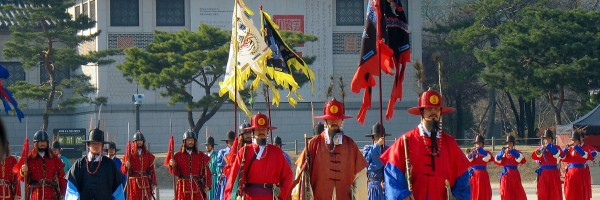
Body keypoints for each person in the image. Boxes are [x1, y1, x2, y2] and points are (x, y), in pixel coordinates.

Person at [379, 89, 470, 200]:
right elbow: (392, 175)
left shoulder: (450, 143)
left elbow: (463, 178)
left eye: (436, 109)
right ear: (421, 111)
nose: (433, 112)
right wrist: (402, 194)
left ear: (440, 112)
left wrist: (457, 197)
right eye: (429, 108)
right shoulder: (406, 141)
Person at [292, 98, 368, 199]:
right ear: (326, 120)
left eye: (338, 119)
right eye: (331, 118)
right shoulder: (313, 144)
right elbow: (301, 175)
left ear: (342, 121)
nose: (334, 121)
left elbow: (360, 176)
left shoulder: (350, 145)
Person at [224, 113, 293, 200]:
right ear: (252, 131)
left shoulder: (276, 152)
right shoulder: (244, 152)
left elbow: (288, 175)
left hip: (271, 197)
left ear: (267, 131)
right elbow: (233, 179)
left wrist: (281, 194)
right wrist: (230, 197)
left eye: (264, 129)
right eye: (258, 129)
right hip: (250, 197)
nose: (261, 132)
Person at [64, 128, 125, 199]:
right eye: (93, 143)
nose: (96, 146)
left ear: (102, 146)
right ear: (88, 145)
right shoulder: (79, 164)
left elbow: (118, 192)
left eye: (99, 143)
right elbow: (71, 189)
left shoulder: (110, 165)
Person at [19, 130, 66, 200]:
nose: (43, 144)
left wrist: (63, 193)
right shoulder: (29, 158)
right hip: (35, 194)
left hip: (52, 194)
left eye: (44, 142)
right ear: (36, 143)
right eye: (40, 142)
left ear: (47, 143)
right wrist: (23, 171)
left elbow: (61, 177)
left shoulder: (54, 158)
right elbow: (23, 179)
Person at [169, 130, 212, 200]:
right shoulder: (178, 156)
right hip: (182, 186)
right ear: (184, 142)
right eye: (188, 140)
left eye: (192, 140)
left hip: (197, 186)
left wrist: (207, 184)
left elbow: (207, 172)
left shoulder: (201, 155)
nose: (190, 142)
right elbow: (176, 173)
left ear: (195, 142)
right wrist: (172, 165)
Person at [561, 131, 597, 200]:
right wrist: (565, 149)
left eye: (575, 140)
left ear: (580, 140)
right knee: (570, 193)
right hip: (571, 175)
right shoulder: (570, 149)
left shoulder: (586, 147)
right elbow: (561, 157)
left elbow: (593, 154)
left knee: (581, 193)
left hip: (581, 174)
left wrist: (579, 150)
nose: (573, 142)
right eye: (572, 140)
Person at [122, 131, 157, 200]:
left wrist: (153, 182)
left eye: (141, 141)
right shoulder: (129, 155)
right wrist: (126, 166)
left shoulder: (148, 155)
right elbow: (123, 170)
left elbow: (152, 170)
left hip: (145, 182)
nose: (140, 142)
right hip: (133, 183)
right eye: (138, 141)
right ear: (134, 142)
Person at [531, 129, 562, 200]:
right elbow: (535, 157)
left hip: (553, 173)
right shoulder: (541, 148)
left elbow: (558, 154)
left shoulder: (556, 148)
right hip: (543, 174)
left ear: (552, 139)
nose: (547, 140)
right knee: (543, 193)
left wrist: (549, 147)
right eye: (545, 138)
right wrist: (542, 149)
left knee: (554, 193)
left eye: (548, 138)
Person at [363, 122, 390, 200]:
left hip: (385, 186)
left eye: (381, 136)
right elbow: (367, 163)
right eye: (377, 136)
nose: (379, 138)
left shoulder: (387, 150)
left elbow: (389, 167)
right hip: (373, 185)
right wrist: (377, 146)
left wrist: (386, 180)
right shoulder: (367, 148)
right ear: (373, 138)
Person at [495, 135, 527, 200]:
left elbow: (522, 160)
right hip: (505, 175)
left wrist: (512, 151)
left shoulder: (517, 152)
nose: (509, 144)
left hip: (514, 175)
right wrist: (502, 153)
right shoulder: (503, 153)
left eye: (510, 143)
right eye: (507, 143)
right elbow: (497, 160)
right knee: (505, 192)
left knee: (517, 192)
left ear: (513, 144)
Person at [466, 134, 493, 200]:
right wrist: (472, 153)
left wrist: (481, 151)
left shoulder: (486, 152)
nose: (478, 144)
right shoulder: (471, 151)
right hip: (473, 175)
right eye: (477, 143)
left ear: (482, 144)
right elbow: (467, 158)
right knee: (473, 191)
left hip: (483, 175)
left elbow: (490, 158)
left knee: (483, 191)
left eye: (480, 143)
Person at [214, 129, 237, 200]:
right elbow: (221, 165)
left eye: (233, 141)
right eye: (230, 141)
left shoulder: (239, 151)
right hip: (226, 178)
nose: (232, 143)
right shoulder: (222, 152)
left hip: (236, 178)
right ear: (227, 142)